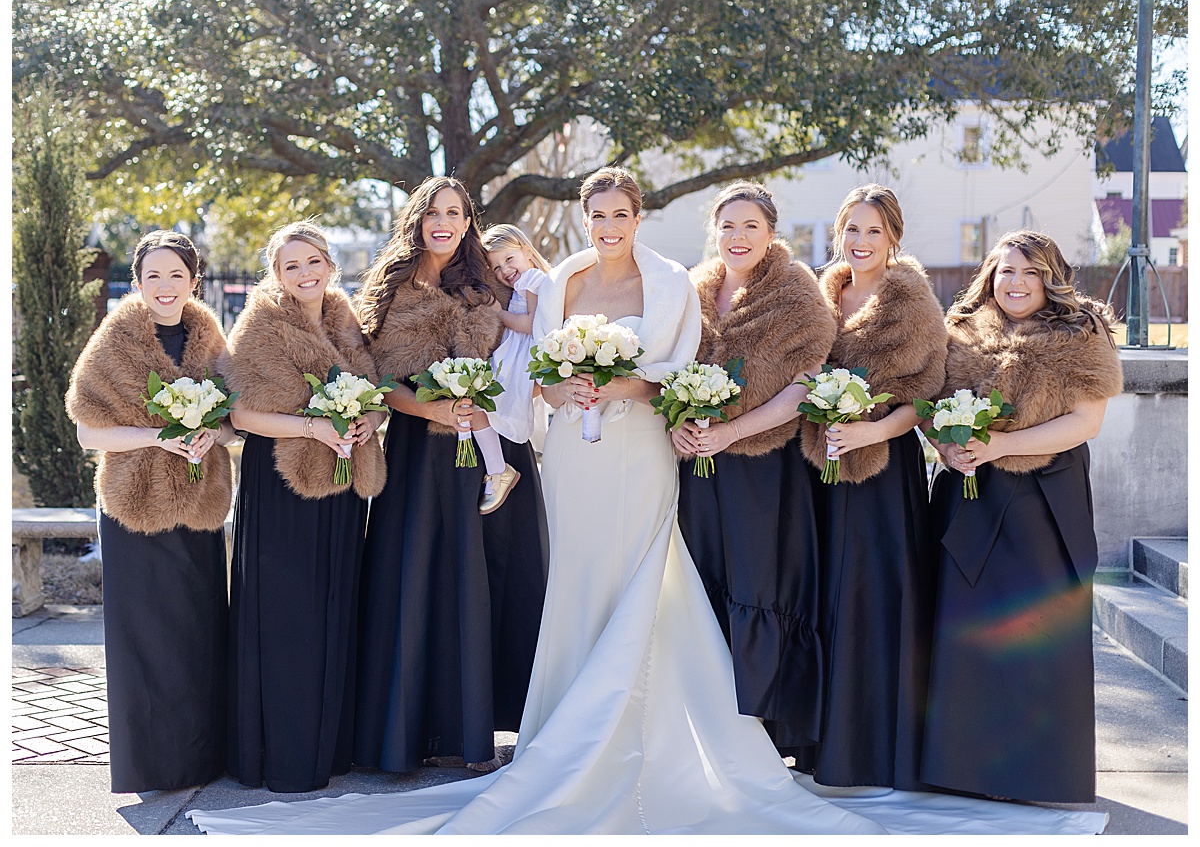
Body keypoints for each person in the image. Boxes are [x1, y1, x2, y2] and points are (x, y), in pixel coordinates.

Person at [188, 170, 1107, 836]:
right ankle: (561, 724)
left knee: (648, 577)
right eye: (596, 214)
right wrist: (563, 385)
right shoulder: (557, 284)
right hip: (576, 460)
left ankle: (655, 722)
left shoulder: (673, 284)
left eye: (622, 213)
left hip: (642, 449)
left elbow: (679, 372)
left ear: (640, 218)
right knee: (575, 580)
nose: (609, 225)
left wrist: (624, 390)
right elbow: (536, 372)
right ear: (584, 220)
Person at [352, 177, 549, 776]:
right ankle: (413, 732)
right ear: (417, 218)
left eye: (456, 213)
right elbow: (377, 379)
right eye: (434, 212)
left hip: (493, 452)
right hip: (421, 454)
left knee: (491, 578)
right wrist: (433, 408)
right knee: (421, 578)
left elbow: (527, 344)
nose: (445, 222)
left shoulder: (487, 283)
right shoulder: (387, 290)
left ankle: (482, 731)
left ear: (468, 222)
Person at [920, 230, 1123, 803]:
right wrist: (946, 446)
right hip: (969, 497)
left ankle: (1038, 773)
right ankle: (962, 769)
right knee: (966, 630)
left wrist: (1000, 447)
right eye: (1006, 270)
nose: (1015, 282)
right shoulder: (959, 332)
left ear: (1050, 279)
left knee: (1037, 632)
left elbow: (1086, 422)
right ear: (990, 275)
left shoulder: (1082, 333)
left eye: (1030, 272)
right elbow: (930, 408)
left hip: (1042, 502)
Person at [220, 221, 388, 793]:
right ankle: (281, 754)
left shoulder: (348, 321)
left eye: (313, 261)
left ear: (330, 265)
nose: (305, 273)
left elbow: (377, 395)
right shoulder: (260, 327)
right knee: (287, 615)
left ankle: (330, 746)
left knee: (334, 603)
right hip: (283, 490)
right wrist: (315, 427)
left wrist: (369, 418)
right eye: (291, 266)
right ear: (277, 275)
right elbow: (242, 417)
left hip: (341, 486)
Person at [66, 229, 235, 792]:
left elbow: (235, 420)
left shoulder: (211, 338)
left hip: (200, 504)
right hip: (134, 509)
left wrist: (212, 433)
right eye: (153, 276)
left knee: (199, 631)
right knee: (146, 639)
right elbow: (89, 431)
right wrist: (157, 437)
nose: (165, 286)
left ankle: (204, 758)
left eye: (177, 275)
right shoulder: (113, 343)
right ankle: (151, 766)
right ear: (137, 282)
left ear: (194, 281)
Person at [672, 182, 836, 756]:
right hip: (698, 470)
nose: (737, 238)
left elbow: (802, 388)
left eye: (750, 227)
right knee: (702, 584)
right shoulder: (691, 292)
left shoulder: (799, 297)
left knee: (760, 584)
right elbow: (667, 375)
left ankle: (763, 730)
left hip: (765, 468)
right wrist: (680, 424)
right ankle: (707, 724)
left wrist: (729, 432)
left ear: (770, 234)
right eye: (727, 227)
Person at [794, 184, 947, 790]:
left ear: (893, 240)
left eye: (873, 232)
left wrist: (871, 430)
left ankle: (881, 747)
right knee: (825, 594)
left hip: (884, 471)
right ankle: (824, 744)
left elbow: (925, 393)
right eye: (851, 231)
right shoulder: (820, 297)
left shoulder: (913, 303)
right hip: (821, 466)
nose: (859, 242)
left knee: (876, 597)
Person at [479, 222, 552, 493]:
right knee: (485, 405)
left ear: (526, 250)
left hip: (523, 354)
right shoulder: (524, 281)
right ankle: (498, 467)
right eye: (496, 268)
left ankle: (498, 469)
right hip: (515, 350)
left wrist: (498, 313)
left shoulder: (533, 279)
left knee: (484, 403)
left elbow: (532, 324)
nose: (505, 270)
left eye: (509, 259)